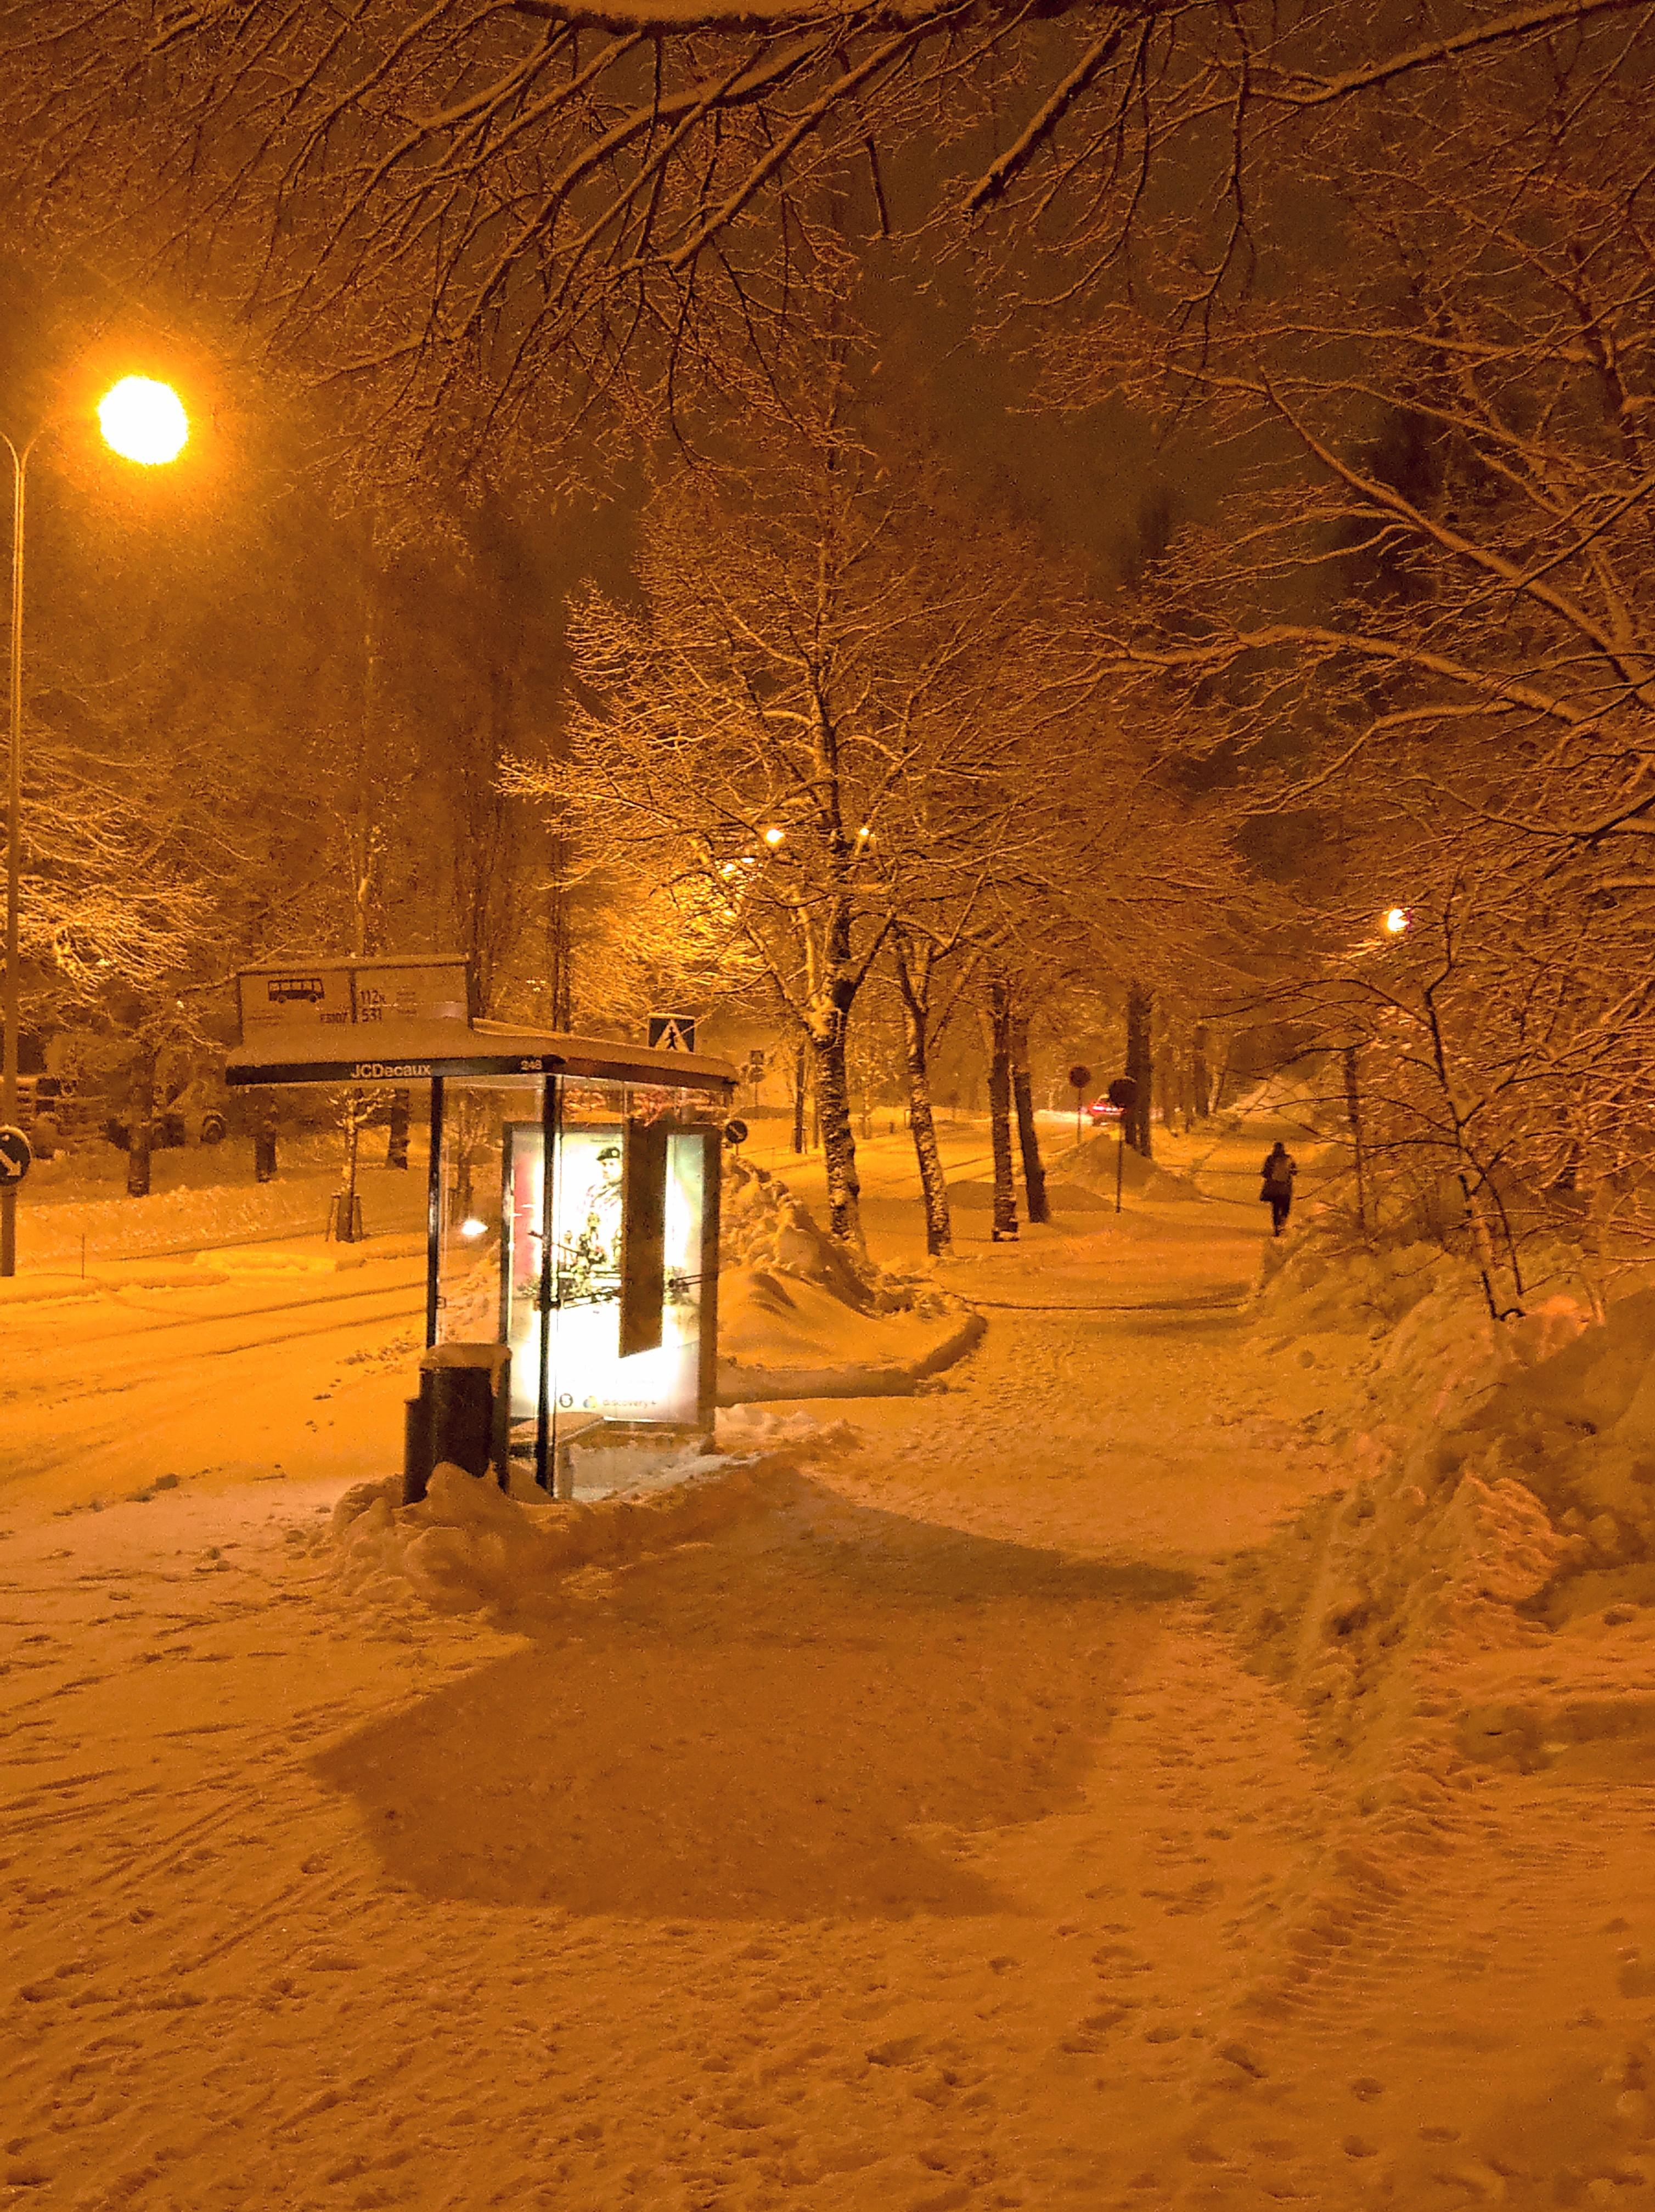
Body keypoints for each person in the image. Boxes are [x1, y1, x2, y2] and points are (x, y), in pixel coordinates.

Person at [1260, 1140, 1297, 1236]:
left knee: (1276, 1208)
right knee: (1286, 1208)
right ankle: (1282, 1224)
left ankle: (1276, 1226)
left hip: (1274, 1189)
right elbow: (1295, 1172)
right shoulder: (1289, 1159)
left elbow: (1265, 1173)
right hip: (1286, 1189)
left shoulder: (1270, 1159)